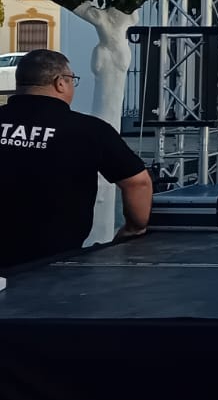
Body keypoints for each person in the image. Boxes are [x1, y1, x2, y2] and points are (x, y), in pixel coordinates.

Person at [0, 49, 152, 270]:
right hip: (55, 262)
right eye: (72, 80)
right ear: (60, 83)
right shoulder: (90, 130)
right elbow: (138, 182)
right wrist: (133, 229)